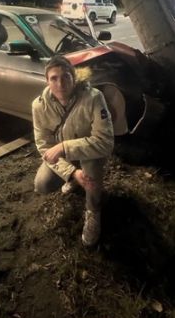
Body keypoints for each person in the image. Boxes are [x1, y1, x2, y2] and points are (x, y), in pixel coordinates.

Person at [32, 55, 114, 247]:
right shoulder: (39, 106)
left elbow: (105, 142)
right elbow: (43, 146)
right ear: (47, 81)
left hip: (88, 151)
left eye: (65, 77)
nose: (60, 83)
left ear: (74, 77)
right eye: (54, 78)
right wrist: (71, 172)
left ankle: (94, 211)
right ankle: (75, 180)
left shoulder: (94, 97)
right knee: (42, 184)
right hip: (65, 158)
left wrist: (63, 147)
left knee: (91, 175)